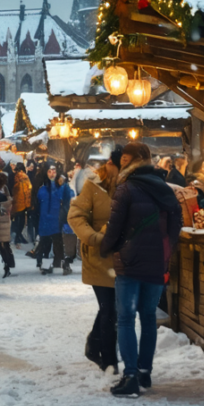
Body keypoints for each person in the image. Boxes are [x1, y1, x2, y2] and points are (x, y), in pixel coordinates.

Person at [101, 142, 181, 397]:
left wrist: (106, 247)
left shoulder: (126, 189)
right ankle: (145, 373)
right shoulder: (165, 187)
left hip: (130, 262)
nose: (121, 162)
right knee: (148, 318)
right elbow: (176, 222)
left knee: (125, 319)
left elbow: (114, 226)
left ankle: (131, 377)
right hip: (157, 262)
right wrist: (166, 249)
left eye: (124, 158)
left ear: (134, 160)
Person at [68, 153, 120, 374]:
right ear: (111, 165)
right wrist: (94, 237)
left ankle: (95, 343)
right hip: (98, 255)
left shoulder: (128, 187)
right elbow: (76, 215)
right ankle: (109, 360)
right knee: (109, 308)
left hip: (120, 257)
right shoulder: (93, 186)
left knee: (112, 308)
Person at [34, 165, 72, 275]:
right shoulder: (41, 187)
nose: (52, 173)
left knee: (58, 243)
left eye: (54, 171)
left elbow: (67, 201)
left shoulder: (62, 187)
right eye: (49, 171)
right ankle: (45, 263)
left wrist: (64, 215)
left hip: (57, 220)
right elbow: (37, 204)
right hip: (44, 220)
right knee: (45, 243)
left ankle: (59, 263)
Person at [12, 163, 32, 247]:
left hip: (16, 203)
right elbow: (28, 190)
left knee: (17, 221)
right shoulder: (24, 177)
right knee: (22, 221)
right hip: (22, 203)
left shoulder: (14, 177)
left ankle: (17, 237)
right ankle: (18, 237)